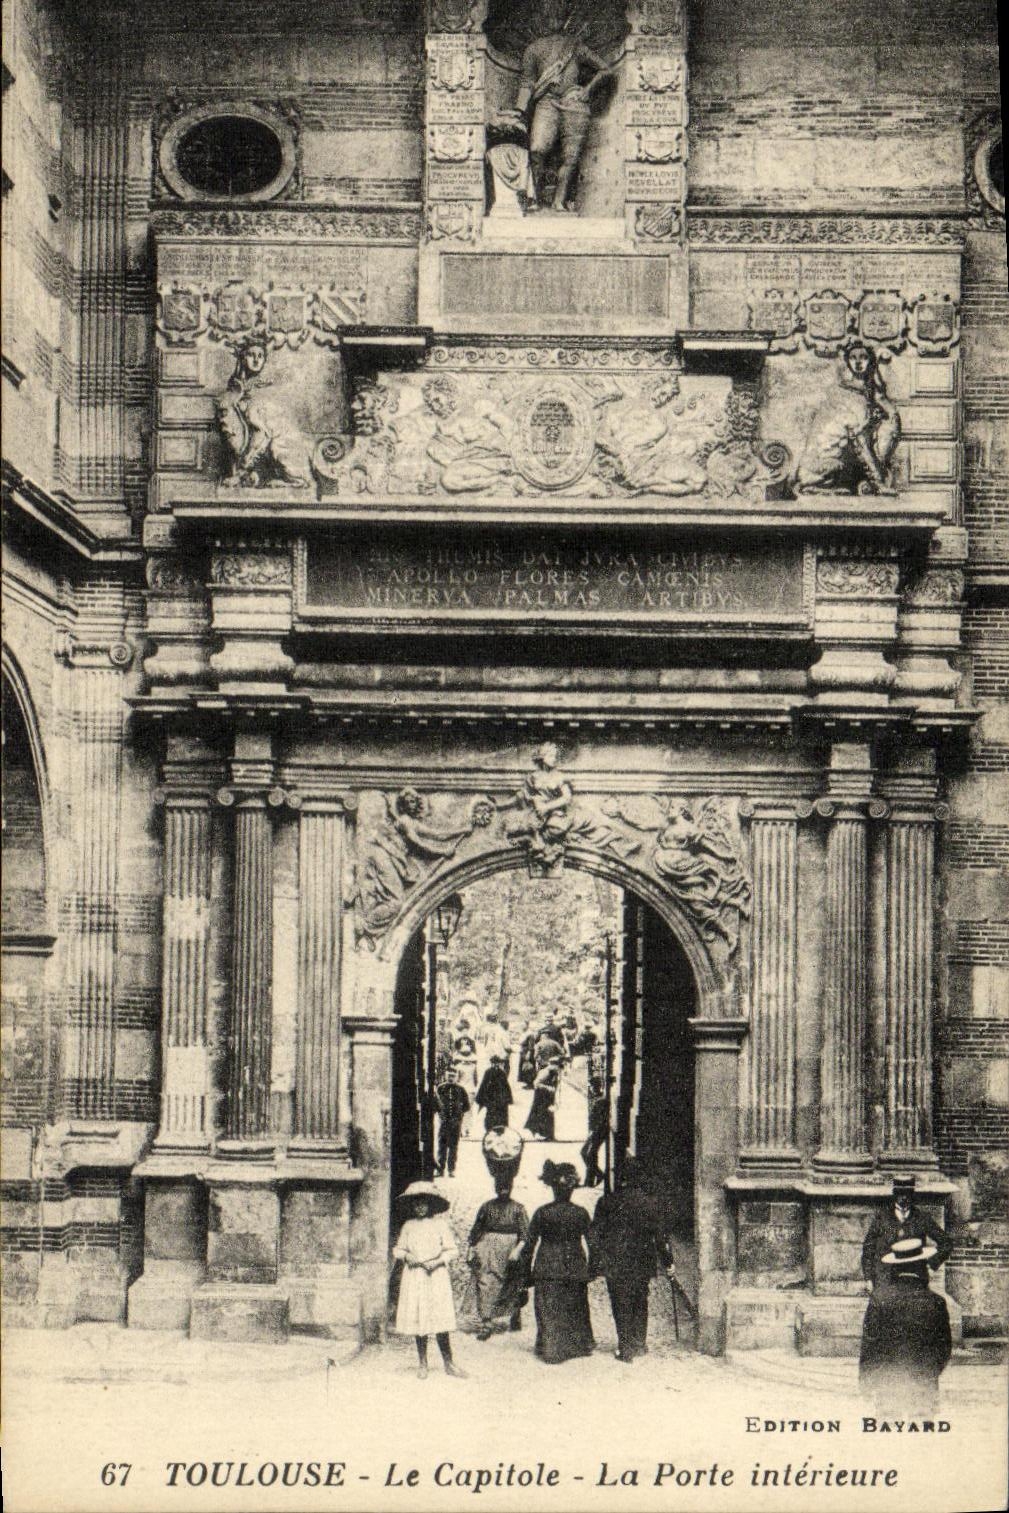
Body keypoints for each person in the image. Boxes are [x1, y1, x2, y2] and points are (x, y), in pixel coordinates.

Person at [590, 1157, 675, 1362]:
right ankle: (639, 1343)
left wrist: (595, 1261)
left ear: (620, 1178)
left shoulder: (606, 1202)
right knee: (640, 1298)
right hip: (642, 1259)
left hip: (615, 1259)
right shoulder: (651, 1203)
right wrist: (668, 1262)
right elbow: (660, 1237)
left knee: (620, 1301)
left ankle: (625, 1345)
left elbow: (594, 1235)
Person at [859, 1236, 953, 1415]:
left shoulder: (879, 1300)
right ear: (921, 1266)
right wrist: (929, 1373)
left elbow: (870, 1345)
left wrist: (867, 1383)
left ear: (894, 1268)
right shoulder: (936, 1302)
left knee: (889, 1428)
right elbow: (944, 1348)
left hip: (888, 1388)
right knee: (921, 1430)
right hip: (924, 1388)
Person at [520, 1160, 594, 1363]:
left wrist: (525, 1273)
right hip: (574, 1263)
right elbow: (593, 1243)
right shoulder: (581, 1213)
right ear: (572, 1189)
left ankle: (550, 1348)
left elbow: (529, 1245)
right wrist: (593, 1268)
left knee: (548, 1306)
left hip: (548, 1263)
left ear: (552, 1188)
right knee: (574, 1304)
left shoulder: (542, 1212)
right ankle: (577, 1346)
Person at [391, 1181, 467, 1380]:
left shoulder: (440, 1225)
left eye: (424, 1203)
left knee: (440, 1319)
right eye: (417, 1204)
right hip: (415, 1275)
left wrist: (438, 1261)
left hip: (436, 1276)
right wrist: (407, 1256)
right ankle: (422, 1363)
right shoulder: (409, 1226)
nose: (420, 1207)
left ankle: (449, 1363)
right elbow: (398, 1249)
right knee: (420, 1319)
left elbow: (452, 1250)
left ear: (431, 1205)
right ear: (412, 1206)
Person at [467, 1171, 530, 1340]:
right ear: (495, 1188)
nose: (503, 1190)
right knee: (485, 1281)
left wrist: (517, 1250)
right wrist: (471, 1249)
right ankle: (486, 1322)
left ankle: (514, 1313)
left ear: (511, 1188)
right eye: (500, 1187)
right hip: (487, 1247)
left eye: (507, 1187)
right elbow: (476, 1229)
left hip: (510, 1249)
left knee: (511, 1283)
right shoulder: (487, 1207)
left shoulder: (518, 1208)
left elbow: (525, 1234)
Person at [861, 1176, 952, 1292]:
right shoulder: (882, 1218)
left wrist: (931, 1265)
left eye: (908, 1194)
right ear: (894, 1194)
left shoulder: (922, 1218)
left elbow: (946, 1243)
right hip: (886, 1281)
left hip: (915, 1280)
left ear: (913, 1194)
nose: (904, 1198)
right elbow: (868, 1249)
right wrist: (868, 1278)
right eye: (900, 1193)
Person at [435, 1064, 471, 1177]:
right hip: (444, 1122)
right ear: (446, 1076)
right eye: (449, 1075)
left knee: (453, 1147)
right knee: (442, 1146)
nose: (451, 1078)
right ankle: (440, 1169)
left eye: (453, 1076)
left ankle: (451, 1169)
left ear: (457, 1077)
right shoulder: (440, 1088)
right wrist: (441, 1114)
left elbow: (466, 1106)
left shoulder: (461, 1090)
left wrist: (458, 1116)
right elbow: (436, 1104)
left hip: (455, 1123)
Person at [475, 1055, 514, 1132]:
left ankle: (500, 1129)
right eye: (494, 1063)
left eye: (497, 1063)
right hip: (491, 1098)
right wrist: (481, 1097)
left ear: (499, 1064)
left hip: (500, 1098)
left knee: (501, 1114)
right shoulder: (488, 1072)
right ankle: (489, 1129)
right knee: (491, 1114)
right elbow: (484, 1084)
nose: (496, 1064)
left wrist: (508, 1098)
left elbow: (506, 1085)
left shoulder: (502, 1073)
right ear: (491, 1063)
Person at [525, 1057, 560, 1141]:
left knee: (548, 1115)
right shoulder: (546, 1072)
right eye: (556, 1065)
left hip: (548, 1097)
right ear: (552, 1065)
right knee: (541, 1114)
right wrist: (548, 1088)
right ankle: (540, 1133)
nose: (557, 1068)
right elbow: (536, 1083)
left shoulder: (553, 1072)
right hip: (541, 1096)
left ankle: (549, 1135)